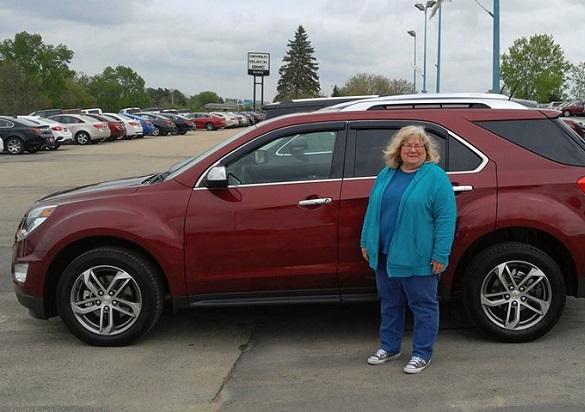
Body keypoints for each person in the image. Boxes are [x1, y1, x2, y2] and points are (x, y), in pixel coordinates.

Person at [360, 125, 457, 374]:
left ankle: (422, 353)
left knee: (423, 305)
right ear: (399, 149)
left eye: (419, 146)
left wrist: (440, 253)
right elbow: (372, 210)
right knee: (390, 303)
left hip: (419, 256)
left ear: (426, 150)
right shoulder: (386, 173)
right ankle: (390, 347)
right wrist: (365, 241)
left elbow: (446, 218)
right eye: (408, 145)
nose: (413, 149)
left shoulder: (435, 177)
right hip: (385, 254)